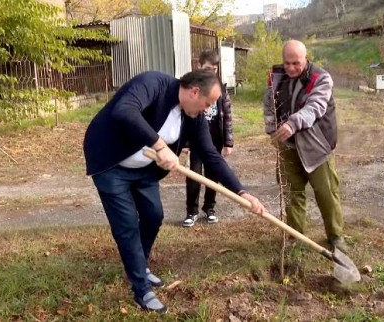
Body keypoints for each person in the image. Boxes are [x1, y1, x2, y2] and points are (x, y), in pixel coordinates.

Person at [83, 70, 266, 313]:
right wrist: (160, 145)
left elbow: (211, 156)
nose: (207, 110)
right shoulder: (154, 84)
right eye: (208, 103)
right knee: (126, 225)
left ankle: (137, 266)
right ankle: (141, 290)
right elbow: (124, 110)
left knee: (153, 215)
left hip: (144, 170)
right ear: (194, 91)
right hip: (111, 163)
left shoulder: (194, 118)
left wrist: (242, 192)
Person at [263, 40, 347, 253]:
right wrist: (272, 130)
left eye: (296, 63)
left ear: (306, 59)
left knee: (326, 194)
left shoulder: (321, 78)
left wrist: (293, 122)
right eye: (287, 62)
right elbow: (269, 106)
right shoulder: (276, 77)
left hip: (317, 147)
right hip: (288, 146)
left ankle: (336, 237)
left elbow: (315, 107)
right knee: (292, 193)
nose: (290, 68)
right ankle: (295, 236)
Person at [183, 50, 234, 227]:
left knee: (213, 176)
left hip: (215, 140)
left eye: (214, 69)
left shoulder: (221, 88)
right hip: (197, 142)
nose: (211, 72)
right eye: (207, 68)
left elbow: (227, 115)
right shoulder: (192, 87)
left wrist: (228, 142)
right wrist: (186, 142)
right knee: (194, 176)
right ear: (199, 66)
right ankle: (191, 211)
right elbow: (185, 116)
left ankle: (210, 208)